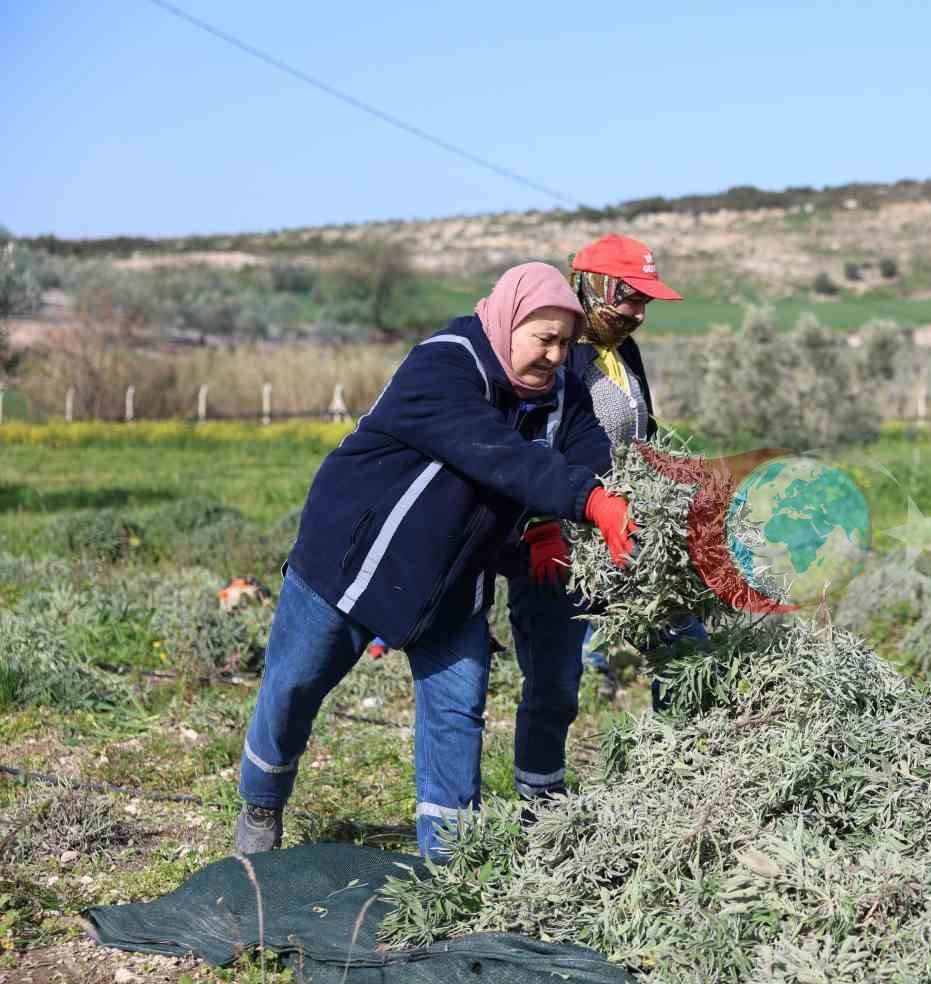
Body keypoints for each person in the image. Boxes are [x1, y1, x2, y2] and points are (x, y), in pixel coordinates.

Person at [233, 262, 636, 860]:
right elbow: (498, 454)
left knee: (457, 712)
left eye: (563, 343)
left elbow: (591, 456)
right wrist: (586, 501)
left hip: (452, 580)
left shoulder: (562, 395)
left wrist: (572, 516)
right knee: (293, 687)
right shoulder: (444, 364)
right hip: (353, 562)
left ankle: (449, 867)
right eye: (542, 339)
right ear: (506, 321)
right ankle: (261, 803)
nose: (554, 356)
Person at [506, 234, 704, 805]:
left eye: (646, 302)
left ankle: (682, 783)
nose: (639, 314)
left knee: (684, 646)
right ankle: (540, 811)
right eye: (631, 299)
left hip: (627, 534)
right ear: (595, 286)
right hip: (559, 540)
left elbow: (643, 436)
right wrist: (540, 521)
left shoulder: (624, 352)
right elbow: (527, 446)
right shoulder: (554, 354)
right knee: (555, 685)